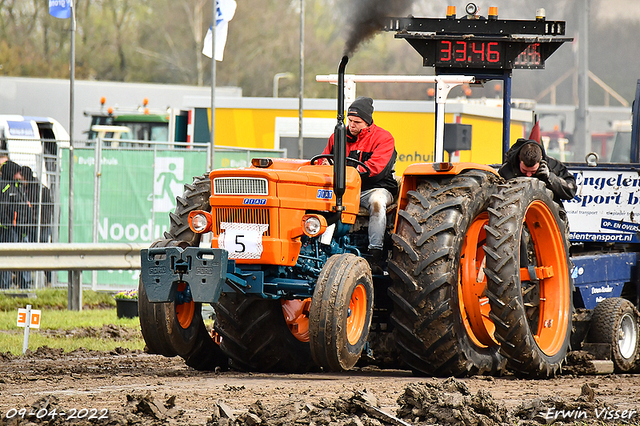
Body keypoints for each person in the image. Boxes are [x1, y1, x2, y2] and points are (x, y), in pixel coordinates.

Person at [321, 96, 398, 268]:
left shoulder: (383, 138)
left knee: (377, 202)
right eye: (350, 120)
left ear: (368, 122)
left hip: (373, 188)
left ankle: (375, 252)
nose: (352, 125)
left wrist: (346, 172)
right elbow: (325, 159)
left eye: (357, 122)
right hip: (345, 188)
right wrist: (325, 164)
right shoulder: (337, 137)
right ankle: (320, 246)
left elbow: (375, 169)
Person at [498, 138, 577, 205]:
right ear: (519, 159)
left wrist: (551, 178)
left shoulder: (553, 165)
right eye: (524, 171)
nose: (528, 175)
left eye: (533, 171)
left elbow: (571, 190)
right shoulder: (506, 170)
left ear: (541, 159)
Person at [0, 160, 32, 289]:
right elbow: (3, 210)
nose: (19, 175)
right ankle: (5, 286)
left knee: (22, 258)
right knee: (7, 258)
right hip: (10, 230)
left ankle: (24, 284)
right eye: (17, 172)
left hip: (21, 229)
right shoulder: (5, 188)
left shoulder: (17, 187)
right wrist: (9, 224)